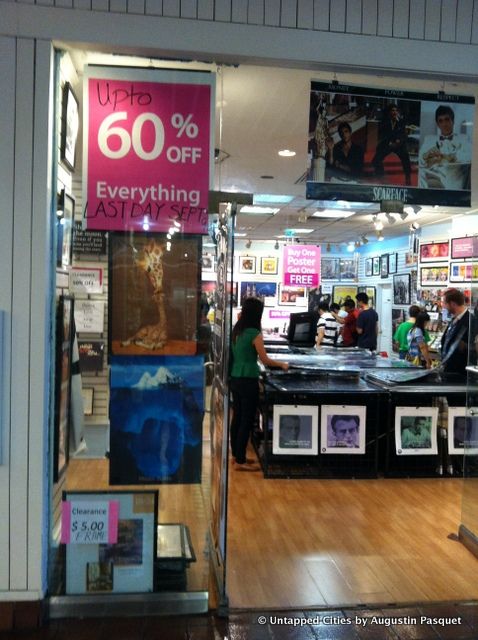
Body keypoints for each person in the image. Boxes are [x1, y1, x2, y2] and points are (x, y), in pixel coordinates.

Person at [230, 297, 288, 471]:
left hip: (236, 377)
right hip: (248, 379)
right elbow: (264, 359)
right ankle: (240, 461)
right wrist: (282, 364)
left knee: (238, 417)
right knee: (246, 419)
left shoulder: (237, 330)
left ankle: (236, 456)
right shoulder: (255, 333)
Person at [419, 105, 471, 190]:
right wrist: (429, 153)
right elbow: (421, 160)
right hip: (434, 174)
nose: (444, 124)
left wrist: (451, 157)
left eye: (447, 119)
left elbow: (470, 156)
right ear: (438, 124)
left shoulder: (463, 138)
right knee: (421, 172)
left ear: (453, 121)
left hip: (454, 175)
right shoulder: (429, 139)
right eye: (441, 121)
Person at [372, 103, 412, 185]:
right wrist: (389, 142)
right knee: (376, 160)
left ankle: (408, 177)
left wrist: (398, 141)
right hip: (388, 144)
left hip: (399, 145)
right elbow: (382, 134)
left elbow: (403, 135)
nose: (394, 112)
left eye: (396, 110)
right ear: (389, 112)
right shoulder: (384, 121)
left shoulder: (401, 122)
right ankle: (381, 175)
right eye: (393, 110)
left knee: (405, 157)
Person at [441, 288, 477, 375]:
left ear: (453, 304)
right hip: (448, 371)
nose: (444, 306)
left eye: (445, 303)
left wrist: (465, 346)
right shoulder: (453, 319)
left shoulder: (472, 321)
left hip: (460, 374)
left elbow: (474, 350)